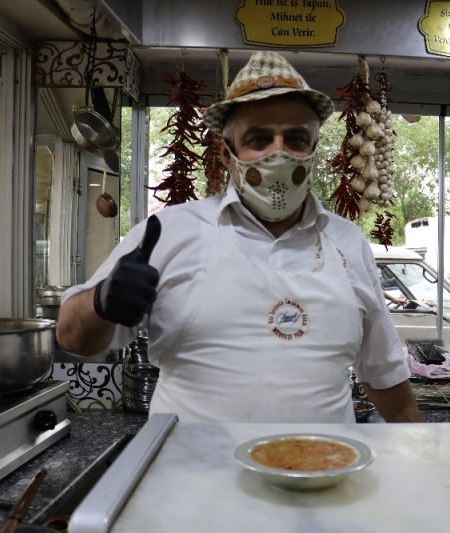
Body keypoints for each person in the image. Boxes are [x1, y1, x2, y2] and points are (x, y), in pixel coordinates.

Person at [57, 51, 422, 424]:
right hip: (194, 476)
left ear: (313, 150)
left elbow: (386, 378)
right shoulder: (167, 233)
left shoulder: (347, 242)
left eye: (295, 138)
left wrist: (420, 468)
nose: (278, 153)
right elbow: (73, 338)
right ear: (227, 154)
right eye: (259, 139)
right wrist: (100, 301)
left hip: (324, 475)